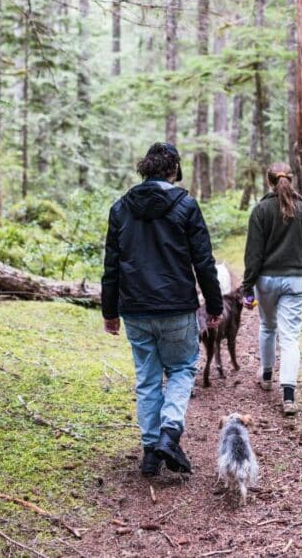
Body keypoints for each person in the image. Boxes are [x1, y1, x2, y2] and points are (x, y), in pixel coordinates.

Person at [102, 142, 223, 476]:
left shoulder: (120, 208)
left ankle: (151, 452)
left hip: (136, 308)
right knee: (183, 368)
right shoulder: (186, 205)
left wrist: (109, 311)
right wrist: (214, 304)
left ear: (145, 169)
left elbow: (112, 264)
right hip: (177, 306)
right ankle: (170, 434)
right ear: (174, 171)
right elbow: (203, 260)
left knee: (147, 379)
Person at [241, 162, 302, 416]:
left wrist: (248, 287)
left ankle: (265, 375)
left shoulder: (261, 210)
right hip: (296, 280)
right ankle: (288, 395)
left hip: (267, 280)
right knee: (290, 337)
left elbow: (253, 254)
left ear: (269, 181)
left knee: (267, 326)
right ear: (290, 180)